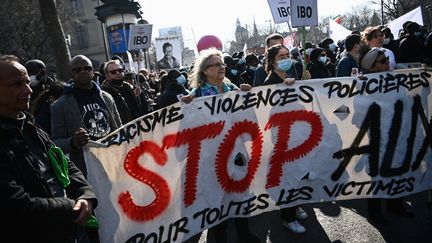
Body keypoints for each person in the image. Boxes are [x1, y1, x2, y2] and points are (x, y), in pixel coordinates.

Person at [0, 54, 98, 242]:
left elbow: (65, 164)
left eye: (27, 82)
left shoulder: (31, 128)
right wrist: (71, 206)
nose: (28, 90)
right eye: (17, 84)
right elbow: (15, 204)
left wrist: (86, 195)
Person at [181, 48, 258, 243]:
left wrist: (246, 93)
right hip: (212, 156)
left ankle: (244, 234)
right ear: (205, 71)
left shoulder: (232, 88)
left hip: (237, 152)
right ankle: (219, 237)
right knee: (218, 198)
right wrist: (187, 104)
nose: (221, 67)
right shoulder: (197, 94)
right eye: (216, 64)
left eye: (222, 64)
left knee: (240, 193)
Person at [358, 47, 414, 224]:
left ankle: (395, 204)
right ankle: (375, 213)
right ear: (372, 67)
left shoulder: (395, 79)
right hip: (374, 140)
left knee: (396, 169)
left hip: (396, 136)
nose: (388, 63)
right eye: (382, 62)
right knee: (376, 174)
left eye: (387, 60)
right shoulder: (362, 86)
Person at [262, 44, 309, 234]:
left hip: (296, 134)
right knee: (287, 179)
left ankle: (294, 206)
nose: (286, 58)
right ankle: (287, 217)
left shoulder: (291, 78)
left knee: (296, 176)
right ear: (272, 61)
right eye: (281, 56)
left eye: (287, 55)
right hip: (281, 138)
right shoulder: (270, 82)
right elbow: (269, 111)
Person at [51, 55, 122, 177]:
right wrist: (73, 142)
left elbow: (119, 127)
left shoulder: (107, 97)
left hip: (113, 163)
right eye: (77, 70)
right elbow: (56, 142)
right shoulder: (60, 105)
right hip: (87, 169)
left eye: (87, 68)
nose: (83, 71)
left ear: (93, 72)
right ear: (71, 74)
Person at [101, 59, 143, 124]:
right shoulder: (104, 93)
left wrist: (139, 96)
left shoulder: (130, 87)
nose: (117, 73)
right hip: (123, 130)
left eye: (120, 70)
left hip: (139, 127)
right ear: (107, 75)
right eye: (113, 72)